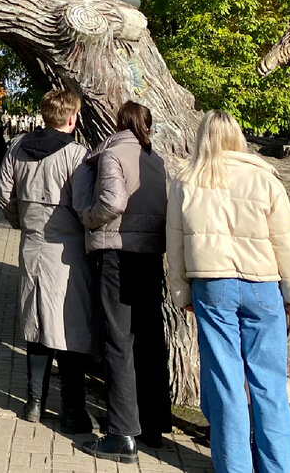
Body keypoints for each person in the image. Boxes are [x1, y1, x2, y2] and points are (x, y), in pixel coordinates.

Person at [166, 110, 290, 473]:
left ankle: (234, 467)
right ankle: (277, 467)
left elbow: (175, 247)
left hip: (211, 286)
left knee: (226, 383)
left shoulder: (186, 181)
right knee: (270, 384)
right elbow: (286, 244)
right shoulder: (265, 180)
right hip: (262, 285)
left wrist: (181, 294)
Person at [72, 101, 169, 463]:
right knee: (149, 338)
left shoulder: (112, 155)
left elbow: (112, 201)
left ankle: (121, 432)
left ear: (119, 122)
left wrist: (89, 218)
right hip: (150, 256)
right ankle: (154, 425)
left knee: (118, 340)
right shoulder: (156, 161)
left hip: (117, 253)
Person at [0, 88, 94, 434]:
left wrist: (22, 222)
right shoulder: (76, 156)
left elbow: (3, 196)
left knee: (35, 323)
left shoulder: (17, 148)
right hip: (67, 249)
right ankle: (72, 410)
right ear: (72, 118)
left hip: (31, 245)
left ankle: (34, 402)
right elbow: (85, 207)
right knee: (69, 328)